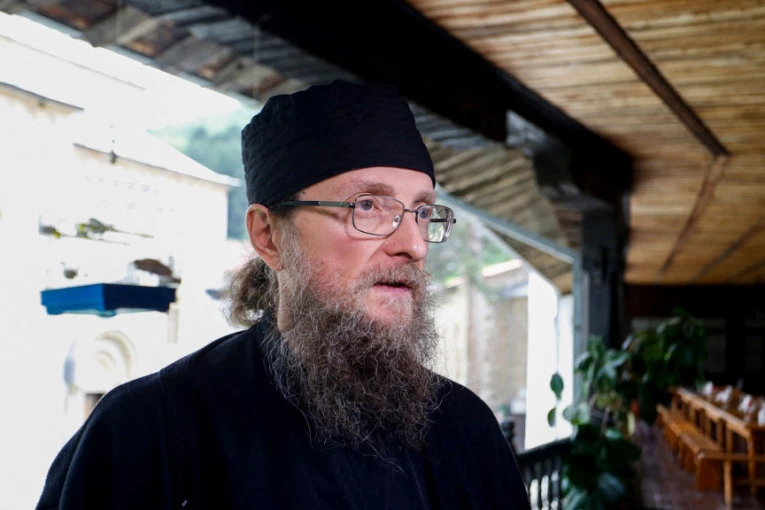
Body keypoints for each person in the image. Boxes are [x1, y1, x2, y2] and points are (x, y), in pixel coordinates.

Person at [36, 80, 530, 509]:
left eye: (422, 212)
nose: (414, 245)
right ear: (268, 236)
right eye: (367, 206)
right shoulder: (147, 432)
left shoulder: (466, 429)